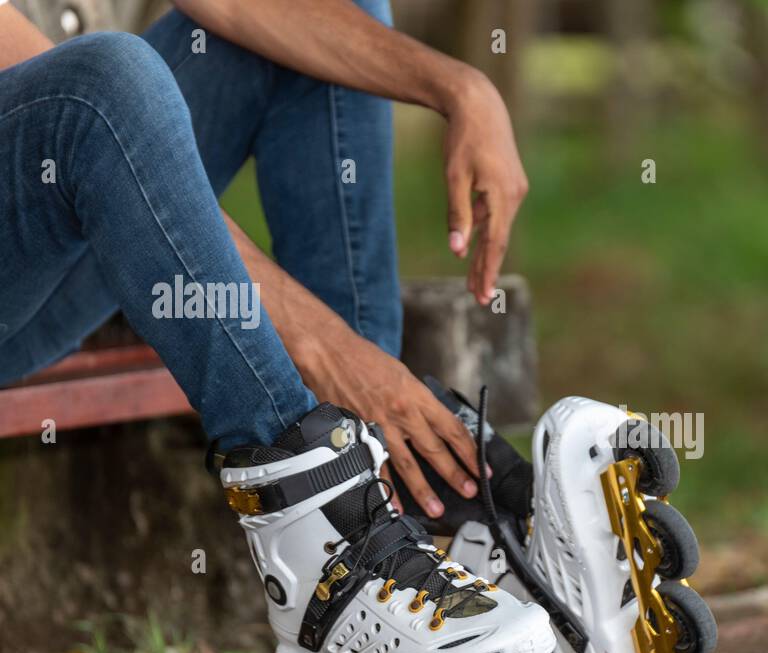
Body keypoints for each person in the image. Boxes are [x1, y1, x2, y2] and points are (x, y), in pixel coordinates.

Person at [0, 0, 525, 519]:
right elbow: (97, 130)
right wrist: (321, 343)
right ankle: (331, 510)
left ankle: (371, 474)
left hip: (78, 230)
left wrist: (463, 89)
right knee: (107, 82)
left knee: (330, 24)